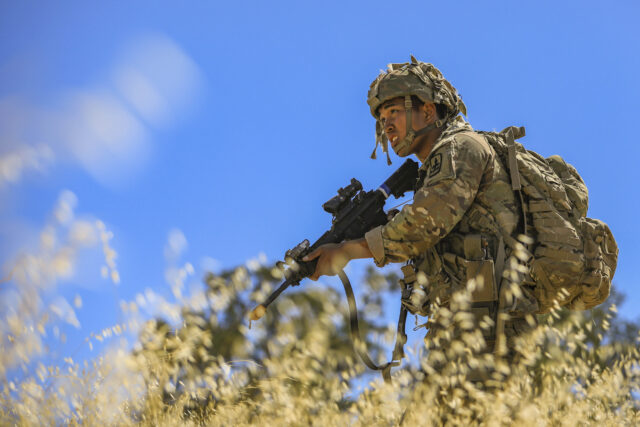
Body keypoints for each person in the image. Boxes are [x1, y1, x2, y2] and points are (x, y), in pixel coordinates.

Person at [302, 56, 538, 361]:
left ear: (428, 110)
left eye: (395, 111)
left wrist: (347, 250)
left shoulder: (461, 148)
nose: (386, 124)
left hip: (492, 330)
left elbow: (423, 225)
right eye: (382, 116)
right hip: (464, 325)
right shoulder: (437, 168)